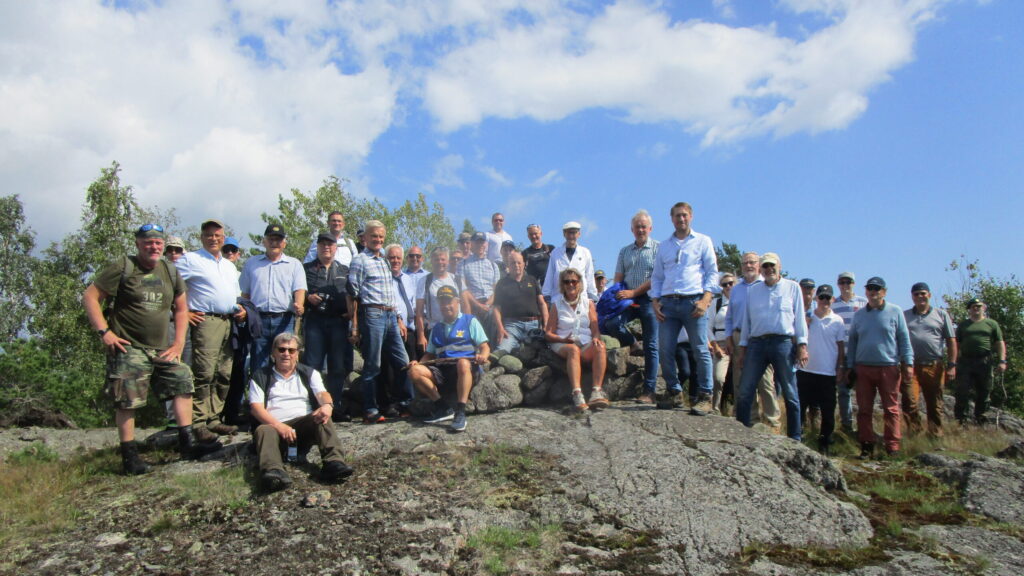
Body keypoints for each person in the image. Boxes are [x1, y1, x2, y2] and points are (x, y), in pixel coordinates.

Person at [82, 223, 220, 475]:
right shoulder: (124, 267)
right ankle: (129, 456)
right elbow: (90, 296)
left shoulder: (169, 270)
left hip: (162, 348)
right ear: (138, 244)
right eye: (148, 242)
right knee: (128, 400)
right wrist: (105, 333)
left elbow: (181, 308)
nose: (153, 246)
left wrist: (178, 343)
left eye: (158, 243)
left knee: (182, 380)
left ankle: (187, 443)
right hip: (129, 346)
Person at [249, 332, 354, 491]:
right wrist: (279, 426)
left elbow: (322, 393)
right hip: (274, 427)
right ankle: (273, 471)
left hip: (303, 425)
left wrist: (327, 406)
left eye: (291, 350)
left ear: (298, 353)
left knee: (322, 417)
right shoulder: (261, 375)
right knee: (263, 429)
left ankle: (334, 463)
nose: (286, 354)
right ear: (273, 352)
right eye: (282, 349)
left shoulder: (309, 373)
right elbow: (256, 408)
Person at [175, 219, 247, 442]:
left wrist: (242, 309)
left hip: (228, 321)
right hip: (206, 320)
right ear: (201, 237)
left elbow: (236, 295)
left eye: (217, 235)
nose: (213, 238)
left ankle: (214, 418)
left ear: (223, 238)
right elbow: (170, 286)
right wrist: (182, 312)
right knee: (204, 372)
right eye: (209, 235)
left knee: (224, 372)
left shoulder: (228, 265)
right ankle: (198, 421)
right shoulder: (191, 259)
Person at [650, 202, 719, 416]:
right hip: (669, 303)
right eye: (677, 216)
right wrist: (655, 301)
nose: (681, 219)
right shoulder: (664, 246)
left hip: (694, 302)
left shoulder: (703, 241)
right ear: (671, 219)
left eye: (685, 215)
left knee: (700, 349)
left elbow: (712, 272)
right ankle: (674, 391)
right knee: (664, 349)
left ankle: (705, 396)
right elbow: (657, 277)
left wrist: (706, 299)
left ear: (691, 217)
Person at [735, 252, 807, 440]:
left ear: (779, 267)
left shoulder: (792, 288)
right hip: (757, 343)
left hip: (782, 343)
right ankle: (741, 434)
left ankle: (795, 438)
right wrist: (743, 350)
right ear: (761, 269)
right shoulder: (753, 291)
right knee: (745, 391)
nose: (769, 269)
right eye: (765, 266)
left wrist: (802, 345)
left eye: (771, 266)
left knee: (790, 393)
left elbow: (799, 319)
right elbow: (747, 322)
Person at [347, 220, 411, 423]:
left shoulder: (384, 260)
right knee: (373, 364)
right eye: (374, 236)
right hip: (372, 314)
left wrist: (399, 318)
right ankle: (370, 409)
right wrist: (354, 326)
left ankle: (405, 404)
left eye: (381, 236)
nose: (378, 240)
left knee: (403, 362)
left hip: (391, 315)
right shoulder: (359, 260)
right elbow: (352, 294)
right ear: (365, 237)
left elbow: (390, 293)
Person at [843, 277, 914, 458]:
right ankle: (866, 445)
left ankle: (892, 446)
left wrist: (908, 363)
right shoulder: (859, 315)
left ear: (884, 291)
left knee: (891, 409)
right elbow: (853, 342)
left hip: (888, 366)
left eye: (877, 288)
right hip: (863, 367)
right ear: (866, 291)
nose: (873, 292)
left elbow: (904, 339)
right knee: (864, 409)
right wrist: (849, 366)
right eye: (870, 288)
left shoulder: (895, 311)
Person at [408, 285, 491, 433]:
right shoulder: (436, 328)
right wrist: (418, 363)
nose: (446, 306)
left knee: (463, 363)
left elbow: (485, 347)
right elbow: (430, 354)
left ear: (457, 301)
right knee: (414, 371)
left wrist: (482, 356)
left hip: (466, 371)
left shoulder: (470, 321)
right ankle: (443, 408)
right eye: (442, 302)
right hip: (443, 372)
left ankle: (460, 411)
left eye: (449, 301)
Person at [606, 209, 660, 404]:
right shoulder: (624, 251)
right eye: (637, 226)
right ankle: (633, 343)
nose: (640, 229)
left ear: (650, 228)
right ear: (632, 229)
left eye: (643, 226)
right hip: (627, 299)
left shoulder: (658, 249)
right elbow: (618, 277)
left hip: (649, 298)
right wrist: (615, 296)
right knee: (612, 322)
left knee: (652, 344)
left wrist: (634, 293)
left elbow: (657, 278)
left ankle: (649, 390)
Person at [723, 252, 781, 428]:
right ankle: (750, 420)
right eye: (745, 263)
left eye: (752, 263)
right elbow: (729, 316)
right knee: (741, 381)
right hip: (739, 335)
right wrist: (729, 337)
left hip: (759, 337)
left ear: (759, 265)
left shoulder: (765, 286)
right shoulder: (737, 289)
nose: (748, 266)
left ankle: (772, 421)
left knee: (765, 382)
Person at [239, 224, 307, 372]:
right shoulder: (252, 263)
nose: (274, 242)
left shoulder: (294, 264)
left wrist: (299, 304)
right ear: (264, 241)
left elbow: (300, 288)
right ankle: (260, 394)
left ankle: (282, 394)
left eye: (278, 239)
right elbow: (245, 294)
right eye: (271, 239)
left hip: (285, 320)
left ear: (284, 243)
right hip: (258, 320)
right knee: (258, 362)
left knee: (285, 361)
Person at [544, 268, 608, 413]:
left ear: (579, 283)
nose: (570, 284)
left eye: (574, 281)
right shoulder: (556, 305)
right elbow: (548, 333)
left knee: (601, 346)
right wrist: (562, 339)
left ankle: (596, 392)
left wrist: (596, 338)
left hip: (584, 342)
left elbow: (594, 328)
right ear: (562, 284)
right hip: (562, 342)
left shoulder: (588, 303)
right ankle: (577, 394)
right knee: (573, 350)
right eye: (566, 281)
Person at [302, 233, 351, 420]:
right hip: (315, 321)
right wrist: (308, 298)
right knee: (312, 365)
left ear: (336, 248)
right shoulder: (306, 269)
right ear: (318, 247)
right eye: (323, 245)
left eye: (330, 245)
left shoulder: (344, 270)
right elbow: (297, 292)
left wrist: (351, 315)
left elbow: (352, 295)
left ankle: (335, 406)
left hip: (338, 322)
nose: (326, 248)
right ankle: (312, 405)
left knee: (337, 367)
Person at [797, 284, 846, 454]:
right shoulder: (806, 318)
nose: (824, 301)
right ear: (816, 299)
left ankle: (825, 440)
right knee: (801, 407)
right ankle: (799, 437)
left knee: (828, 410)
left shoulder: (838, 320)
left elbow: (840, 347)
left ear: (832, 300)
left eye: (828, 298)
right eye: (821, 297)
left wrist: (840, 367)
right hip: (805, 370)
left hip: (827, 372)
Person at [903, 282, 957, 435]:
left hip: (934, 365)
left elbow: (951, 340)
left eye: (923, 293)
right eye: (916, 294)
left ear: (929, 295)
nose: (920, 296)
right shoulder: (904, 315)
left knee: (935, 404)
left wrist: (952, 365)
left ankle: (935, 435)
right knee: (909, 401)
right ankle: (915, 433)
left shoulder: (941, 314)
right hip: (910, 366)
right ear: (912, 296)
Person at [954, 297, 1007, 425]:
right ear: (969, 310)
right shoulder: (963, 325)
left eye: (979, 306)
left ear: (984, 308)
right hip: (965, 362)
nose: (976, 308)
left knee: (984, 391)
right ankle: (961, 420)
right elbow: (956, 344)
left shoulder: (991, 324)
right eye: (973, 307)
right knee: (962, 392)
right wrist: (954, 362)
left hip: (984, 361)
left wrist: (1002, 361)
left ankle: (981, 419)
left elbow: (999, 342)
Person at [833, 271, 868, 433]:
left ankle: (864, 428)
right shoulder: (833, 304)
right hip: (840, 354)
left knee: (863, 392)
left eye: (849, 282)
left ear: (854, 284)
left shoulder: (863, 303)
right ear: (838, 284)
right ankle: (847, 426)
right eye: (842, 282)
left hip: (860, 354)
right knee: (843, 392)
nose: (845, 285)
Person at [493, 251, 548, 354]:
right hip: (512, 326)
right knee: (501, 351)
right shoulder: (502, 283)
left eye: (519, 262)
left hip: (533, 325)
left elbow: (542, 303)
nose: (516, 265)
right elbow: (496, 308)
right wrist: (500, 328)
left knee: (542, 351)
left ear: (524, 264)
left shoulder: (532, 280)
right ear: (508, 265)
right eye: (513, 263)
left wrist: (546, 325)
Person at [415, 246, 465, 351]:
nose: (440, 262)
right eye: (436, 259)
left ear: (448, 261)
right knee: (435, 362)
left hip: (456, 328)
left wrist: (467, 326)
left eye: (443, 259)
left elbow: (465, 305)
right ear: (432, 261)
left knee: (457, 359)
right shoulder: (424, 281)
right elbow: (419, 312)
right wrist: (421, 336)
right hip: (434, 328)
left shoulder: (457, 280)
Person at [458, 232, 501, 338]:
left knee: (494, 317)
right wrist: (478, 305)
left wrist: (487, 304)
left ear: (486, 244)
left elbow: (497, 289)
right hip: (472, 305)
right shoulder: (462, 264)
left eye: (482, 242)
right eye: (477, 242)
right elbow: (462, 288)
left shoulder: (493, 265)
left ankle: (491, 351)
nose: (480, 245)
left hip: (490, 305)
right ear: (472, 244)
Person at [542, 221, 598, 302]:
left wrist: (592, 296)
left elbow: (589, 276)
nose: (571, 236)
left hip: (581, 300)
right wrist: (546, 296)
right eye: (569, 233)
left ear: (579, 234)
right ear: (564, 234)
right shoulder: (555, 253)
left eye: (574, 233)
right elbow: (549, 276)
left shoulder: (585, 252)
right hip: (559, 300)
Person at [709, 273, 733, 414]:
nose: (728, 286)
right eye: (724, 284)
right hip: (720, 343)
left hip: (738, 343)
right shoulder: (715, 303)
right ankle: (715, 408)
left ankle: (738, 411)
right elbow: (708, 326)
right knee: (718, 378)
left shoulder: (744, 301)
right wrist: (715, 346)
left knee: (740, 380)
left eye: (731, 283)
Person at [521, 224, 554, 288]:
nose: (533, 236)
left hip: (550, 287)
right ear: (528, 236)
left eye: (535, 233)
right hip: (533, 288)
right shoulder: (525, 253)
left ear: (541, 234)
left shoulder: (550, 249)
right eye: (531, 234)